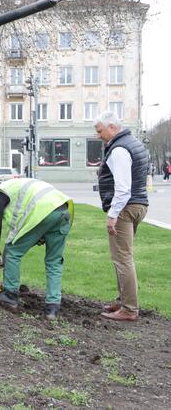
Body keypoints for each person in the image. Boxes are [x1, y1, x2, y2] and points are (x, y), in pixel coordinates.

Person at [0, 178, 73, 320]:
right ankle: (52, 307)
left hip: (42, 212)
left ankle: (9, 295)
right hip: (63, 210)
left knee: (12, 252)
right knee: (54, 261)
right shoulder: (17, 185)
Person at [94, 111, 149, 322]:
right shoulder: (132, 142)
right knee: (123, 257)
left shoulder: (119, 150)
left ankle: (129, 308)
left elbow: (123, 188)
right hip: (139, 204)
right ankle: (123, 299)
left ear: (112, 127)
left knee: (122, 259)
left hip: (125, 208)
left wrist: (113, 215)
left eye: (100, 131)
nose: (99, 136)